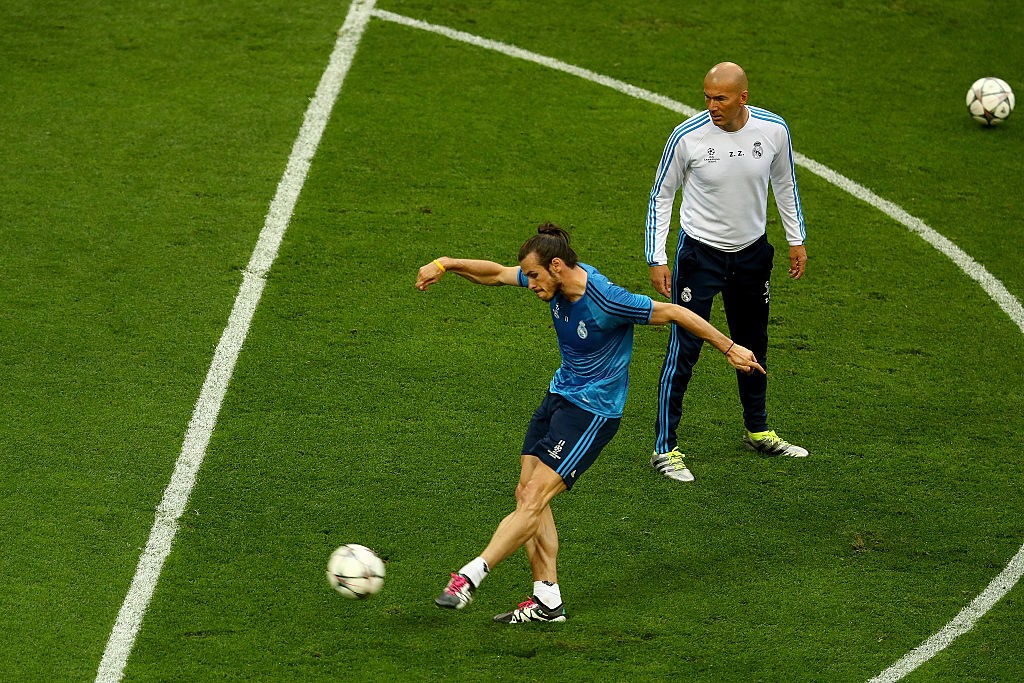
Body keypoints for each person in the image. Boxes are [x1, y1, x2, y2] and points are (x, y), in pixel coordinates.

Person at [416, 223, 764, 623]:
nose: (529, 284)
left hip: (593, 412)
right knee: (527, 493)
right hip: (559, 396)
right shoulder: (552, 281)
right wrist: (444, 263)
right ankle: (547, 601)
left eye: (533, 276)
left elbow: (673, 311)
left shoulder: (606, 299)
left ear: (557, 265)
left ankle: (470, 576)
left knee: (533, 499)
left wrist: (730, 347)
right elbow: (493, 273)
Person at [645, 61, 809, 484]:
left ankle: (758, 430)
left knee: (754, 343)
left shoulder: (773, 131)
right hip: (700, 256)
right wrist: (656, 257)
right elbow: (661, 195)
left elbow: (785, 184)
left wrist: (796, 238)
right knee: (685, 348)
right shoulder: (687, 136)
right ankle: (665, 448)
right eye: (707, 97)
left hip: (753, 255)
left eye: (720, 98)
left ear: (743, 97)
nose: (711, 106)